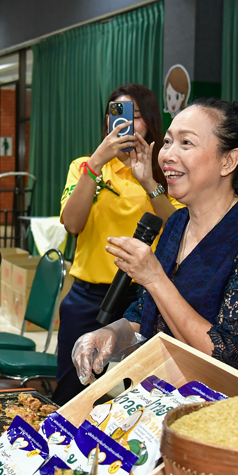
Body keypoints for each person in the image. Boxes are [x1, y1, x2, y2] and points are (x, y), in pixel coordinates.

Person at [72, 99, 238, 400]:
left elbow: (230, 357)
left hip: (235, 416)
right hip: (168, 398)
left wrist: (155, 277)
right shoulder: (176, 223)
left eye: (186, 143)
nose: (167, 155)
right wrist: (112, 334)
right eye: (167, 142)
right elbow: (146, 311)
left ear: (228, 161)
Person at [52, 84, 179, 405]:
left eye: (135, 116)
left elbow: (179, 228)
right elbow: (71, 224)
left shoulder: (166, 173)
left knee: (143, 394)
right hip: (87, 297)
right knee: (73, 390)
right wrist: (95, 163)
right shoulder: (85, 166)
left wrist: (149, 181)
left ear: (150, 123)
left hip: (144, 298)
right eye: (117, 114)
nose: (125, 123)